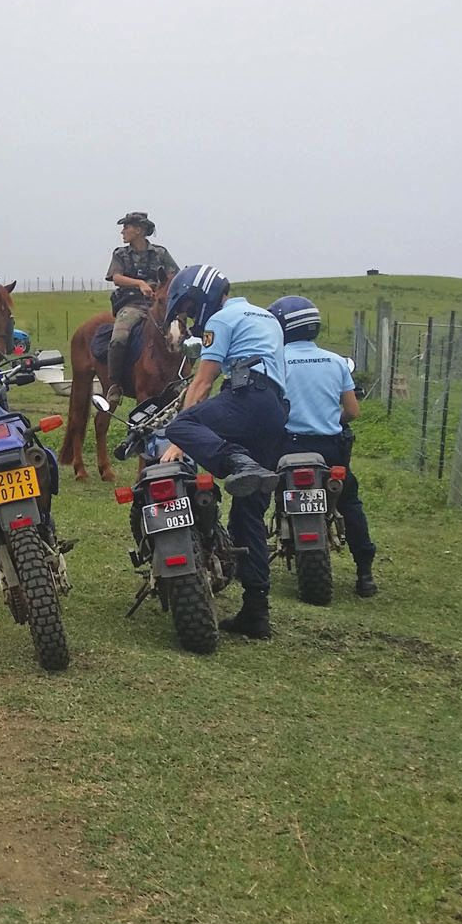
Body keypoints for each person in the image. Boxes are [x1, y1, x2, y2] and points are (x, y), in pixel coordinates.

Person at [160, 265, 289, 639]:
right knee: (248, 516)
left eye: (186, 306)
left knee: (182, 425)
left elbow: (202, 381)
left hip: (247, 397)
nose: (187, 315)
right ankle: (256, 613)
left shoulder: (222, 318)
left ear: (202, 295)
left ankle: (237, 461)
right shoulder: (265, 316)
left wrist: (178, 441)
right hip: (276, 410)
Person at [271, 295, 379, 597]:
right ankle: (365, 572)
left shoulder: (275, 362)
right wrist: (331, 419)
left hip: (286, 450)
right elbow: (353, 412)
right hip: (329, 452)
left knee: (253, 495)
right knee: (350, 502)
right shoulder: (335, 361)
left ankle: (245, 561)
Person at [104, 212, 179, 405]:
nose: (123, 231)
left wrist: (162, 290)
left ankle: (181, 378)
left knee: (182, 335)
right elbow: (116, 277)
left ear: (139, 230)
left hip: (159, 305)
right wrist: (139, 284)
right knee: (118, 339)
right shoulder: (120, 254)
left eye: (126, 227)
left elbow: (175, 275)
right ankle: (115, 384)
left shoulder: (161, 253)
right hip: (132, 306)